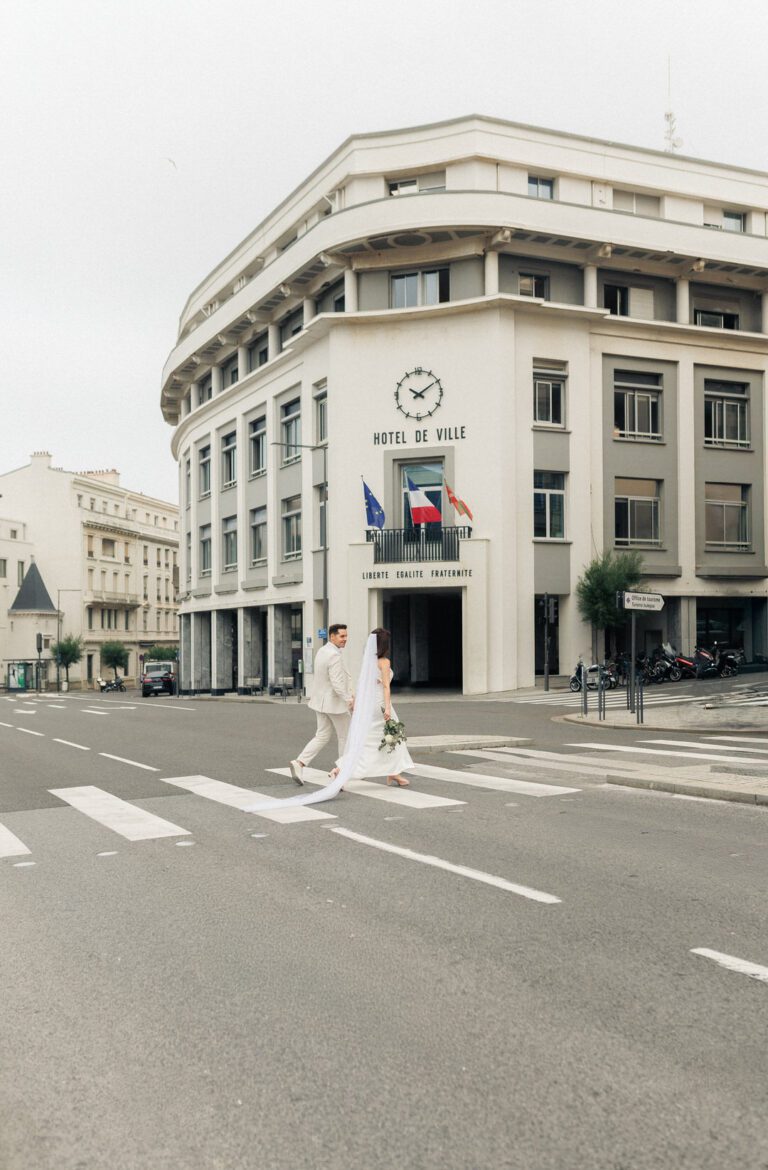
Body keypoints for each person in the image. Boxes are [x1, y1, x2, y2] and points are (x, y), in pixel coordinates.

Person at [331, 627, 413, 787]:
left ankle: (393, 772)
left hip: (369, 704)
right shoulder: (384, 662)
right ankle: (340, 769)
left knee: (373, 739)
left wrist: (357, 702)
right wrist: (387, 708)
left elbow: (363, 685)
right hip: (380, 704)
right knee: (391, 737)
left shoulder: (369, 662)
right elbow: (386, 688)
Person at [288, 623, 354, 785]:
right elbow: (337, 682)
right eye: (342, 636)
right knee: (345, 737)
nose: (345, 639)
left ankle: (300, 763)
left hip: (320, 702)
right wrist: (349, 699)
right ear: (332, 636)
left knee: (322, 735)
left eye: (346, 636)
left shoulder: (322, 651)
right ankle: (341, 773)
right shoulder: (334, 655)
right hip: (334, 703)